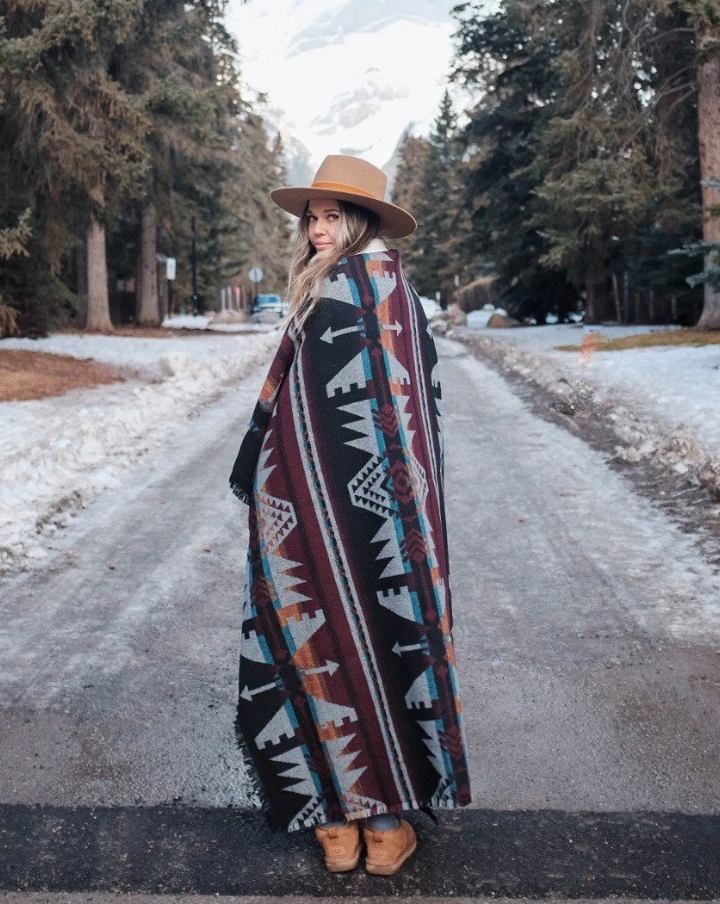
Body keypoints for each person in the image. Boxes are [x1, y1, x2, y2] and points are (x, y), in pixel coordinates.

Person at [229, 155, 471, 876]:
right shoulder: (385, 293)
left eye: (332, 216)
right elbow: (411, 416)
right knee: (367, 639)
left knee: (329, 641)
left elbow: (296, 405)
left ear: (359, 221)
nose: (317, 228)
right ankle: (366, 825)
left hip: (321, 513)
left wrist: (274, 479)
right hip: (366, 516)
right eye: (312, 217)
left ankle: (348, 822)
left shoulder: (344, 290)